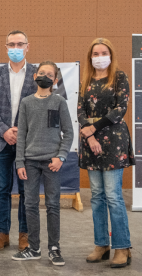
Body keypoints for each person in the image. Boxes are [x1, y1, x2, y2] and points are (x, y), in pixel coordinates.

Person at [77, 38, 134, 268]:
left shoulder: (119, 77)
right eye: (95, 53)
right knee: (97, 197)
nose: (99, 56)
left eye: (104, 52)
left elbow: (121, 108)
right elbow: (80, 109)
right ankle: (102, 244)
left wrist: (94, 128)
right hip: (90, 143)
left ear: (110, 54)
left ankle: (122, 247)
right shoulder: (86, 80)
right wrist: (89, 135)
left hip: (113, 141)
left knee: (113, 196)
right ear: (90, 56)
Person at [11, 61, 74, 266]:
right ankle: (34, 247)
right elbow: (21, 135)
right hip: (29, 163)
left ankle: (54, 249)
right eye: (41, 73)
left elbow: (69, 133)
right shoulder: (26, 102)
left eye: (49, 74)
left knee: (53, 205)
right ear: (34, 76)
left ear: (55, 80)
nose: (45, 76)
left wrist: (61, 157)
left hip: (52, 163)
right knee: (30, 204)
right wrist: (20, 162)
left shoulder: (59, 102)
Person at [0, 30, 36, 251]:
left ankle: (24, 235)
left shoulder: (36, 73)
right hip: (0, 140)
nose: (16, 48)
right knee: (1, 189)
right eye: (11, 44)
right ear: (5, 47)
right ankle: (2, 234)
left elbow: (43, 104)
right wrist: (5, 130)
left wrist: (20, 131)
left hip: (28, 142)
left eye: (20, 44)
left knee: (26, 190)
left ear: (27, 46)